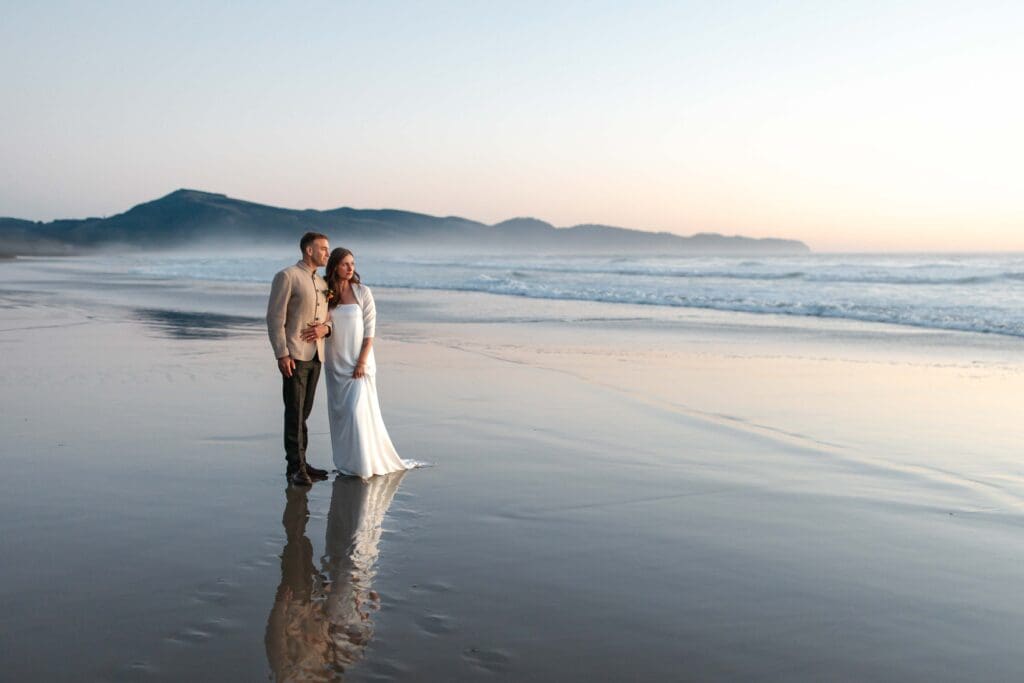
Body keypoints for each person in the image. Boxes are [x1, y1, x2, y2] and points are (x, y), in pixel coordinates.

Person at [309, 247, 414, 478]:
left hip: (359, 362)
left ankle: (364, 463)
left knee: (358, 412)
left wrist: (362, 363)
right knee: (342, 415)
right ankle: (348, 462)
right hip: (335, 362)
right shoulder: (327, 291)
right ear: (335, 265)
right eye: (345, 264)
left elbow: (370, 332)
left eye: (353, 264)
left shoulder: (363, 292)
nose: (350, 268)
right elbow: (324, 321)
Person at [267, 232, 333, 486]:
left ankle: (303, 463)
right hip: (294, 354)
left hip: (317, 355)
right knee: (294, 412)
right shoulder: (287, 276)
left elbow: (328, 319)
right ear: (308, 250)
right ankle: (295, 468)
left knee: (304, 412)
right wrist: (281, 353)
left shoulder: (323, 284)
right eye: (323, 248)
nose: (327, 253)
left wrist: (325, 330)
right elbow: (275, 319)